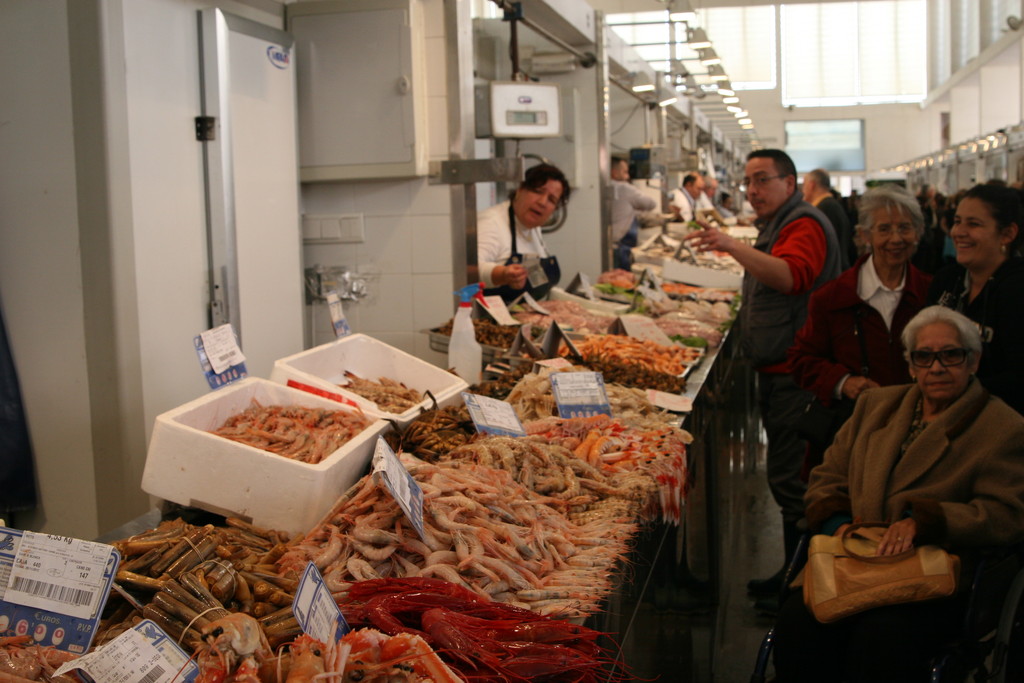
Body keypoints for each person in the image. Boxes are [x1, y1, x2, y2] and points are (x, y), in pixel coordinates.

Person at [772, 306, 1024, 683]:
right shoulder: (875, 406)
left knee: (879, 638)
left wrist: (925, 521)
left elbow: (1005, 514)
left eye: (951, 355)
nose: (936, 367)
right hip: (852, 559)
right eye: (924, 356)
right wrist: (840, 525)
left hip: (930, 574)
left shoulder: (1003, 427)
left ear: (973, 362)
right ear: (911, 366)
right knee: (798, 622)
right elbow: (827, 478)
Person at [684, 149, 842, 600]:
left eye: (762, 180)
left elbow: (793, 276)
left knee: (792, 480)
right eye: (748, 182)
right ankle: (797, 576)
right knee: (787, 477)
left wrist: (733, 246)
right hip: (780, 369)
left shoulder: (803, 224)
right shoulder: (782, 223)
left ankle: (805, 589)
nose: (752, 191)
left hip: (798, 375)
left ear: (789, 184)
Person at [789, 185, 932, 473]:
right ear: (865, 235)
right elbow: (801, 359)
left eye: (905, 228)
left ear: (917, 234)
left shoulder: (932, 295)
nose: (895, 239)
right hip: (850, 436)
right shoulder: (833, 297)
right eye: (884, 229)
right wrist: (844, 382)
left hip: (917, 436)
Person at [928, 183, 1024, 415]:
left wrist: (958, 389)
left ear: (1008, 234)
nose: (959, 232)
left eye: (974, 224)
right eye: (958, 221)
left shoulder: (1017, 289)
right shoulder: (947, 280)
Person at [477, 163, 571, 302]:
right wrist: (503, 274)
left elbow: (535, 277)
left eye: (552, 200)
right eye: (538, 191)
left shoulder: (533, 227)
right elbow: (470, 269)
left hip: (523, 315)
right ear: (520, 190)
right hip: (490, 319)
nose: (542, 202)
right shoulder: (492, 222)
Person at [609, 156, 657, 270]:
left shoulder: (603, 188)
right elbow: (651, 204)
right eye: (625, 172)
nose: (628, 176)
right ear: (614, 173)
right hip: (620, 246)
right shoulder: (625, 188)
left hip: (608, 245)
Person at [802, 169, 855, 269]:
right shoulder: (830, 205)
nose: (803, 191)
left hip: (832, 274)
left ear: (811, 185)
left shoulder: (825, 208)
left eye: (804, 185)